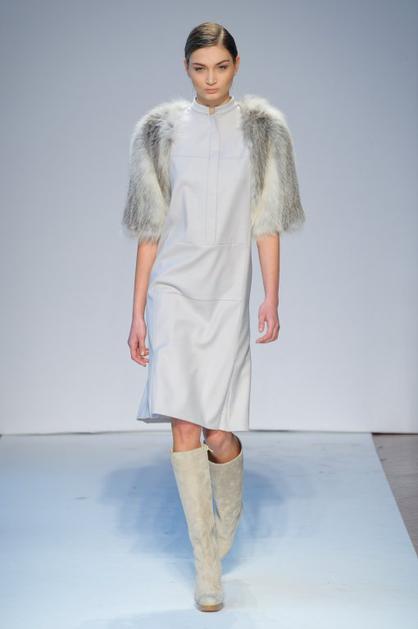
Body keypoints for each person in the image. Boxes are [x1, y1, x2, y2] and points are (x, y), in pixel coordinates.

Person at [122, 21, 306, 613]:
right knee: (184, 424)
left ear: (236, 65)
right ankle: (207, 563)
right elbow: (149, 228)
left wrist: (271, 297)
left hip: (228, 291)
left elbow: (267, 222)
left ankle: (230, 508)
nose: (210, 78)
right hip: (174, 289)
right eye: (200, 68)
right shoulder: (160, 131)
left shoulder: (263, 130)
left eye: (220, 67)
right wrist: (137, 312)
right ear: (186, 68)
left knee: (218, 432)